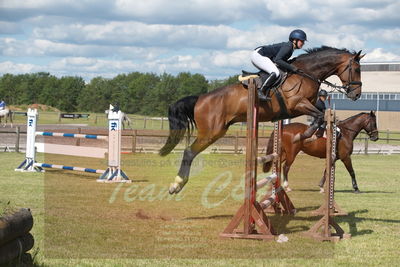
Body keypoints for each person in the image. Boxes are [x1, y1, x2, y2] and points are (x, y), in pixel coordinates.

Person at [251, 29, 307, 99]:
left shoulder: (290, 48)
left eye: (303, 41)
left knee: (274, 71)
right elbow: (277, 60)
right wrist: (293, 68)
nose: (303, 43)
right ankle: (260, 91)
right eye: (301, 41)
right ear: (294, 40)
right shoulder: (288, 46)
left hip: (261, 55)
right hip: (259, 55)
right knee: (275, 72)